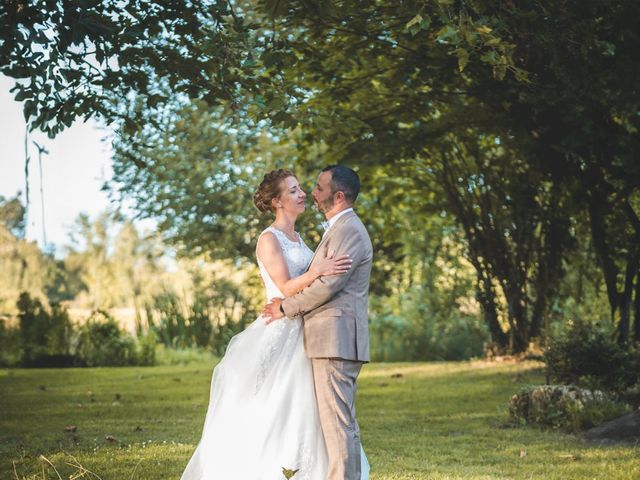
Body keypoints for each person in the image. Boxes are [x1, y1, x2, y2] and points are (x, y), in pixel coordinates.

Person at [180, 168, 370, 480]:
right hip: (282, 327)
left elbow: (321, 285)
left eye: (304, 188)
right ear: (278, 201)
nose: (304, 194)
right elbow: (285, 286)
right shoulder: (269, 239)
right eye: (294, 190)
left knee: (312, 412)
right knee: (276, 405)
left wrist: (305, 285)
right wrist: (314, 272)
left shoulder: (303, 237)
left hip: (305, 329)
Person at [263, 165, 373, 480]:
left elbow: (327, 286)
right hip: (330, 337)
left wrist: (284, 308)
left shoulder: (349, 230)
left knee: (339, 425)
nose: (312, 193)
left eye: (319, 187)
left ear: (338, 196)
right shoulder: (337, 228)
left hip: (335, 337)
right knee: (339, 423)